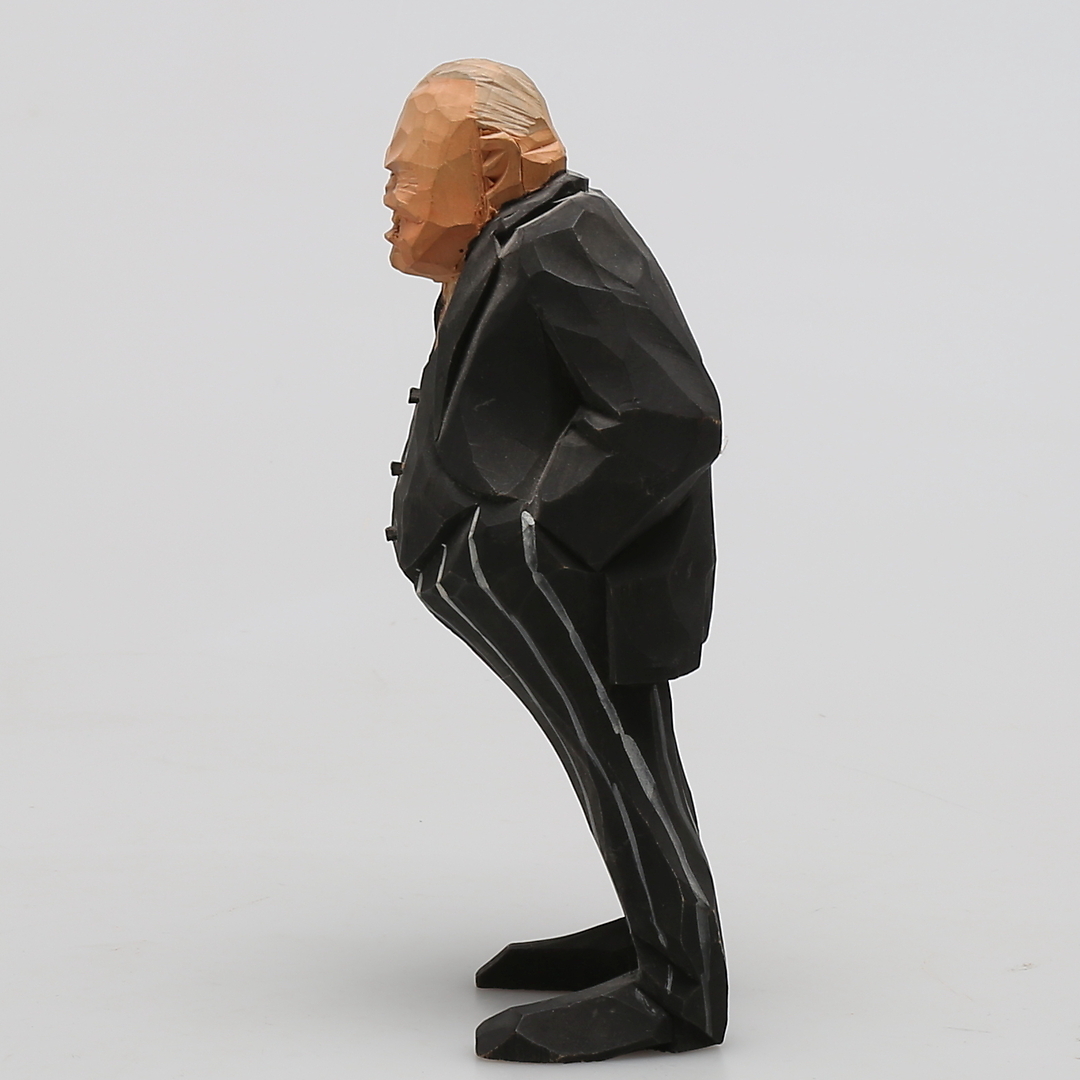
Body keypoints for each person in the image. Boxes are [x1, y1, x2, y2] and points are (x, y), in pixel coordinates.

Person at [383, 59, 727, 1063]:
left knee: (618, 753)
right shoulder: (512, 247)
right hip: (546, 579)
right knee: (615, 755)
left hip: (581, 579)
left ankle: (679, 988)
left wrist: (537, 537)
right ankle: (656, 925)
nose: (392, 196)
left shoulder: (569, 238)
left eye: (408, 172)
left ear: (492, 170)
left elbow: (670, 412)